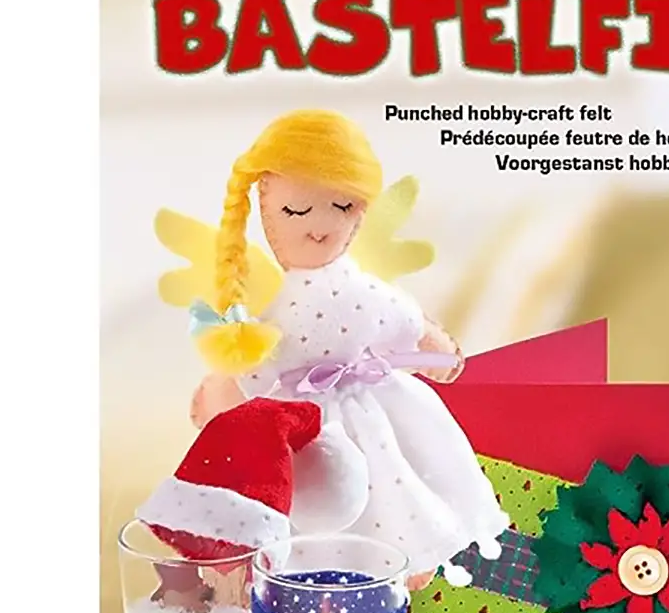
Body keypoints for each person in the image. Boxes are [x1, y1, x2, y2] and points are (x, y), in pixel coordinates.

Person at [186, 109, 506, 586]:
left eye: (340, 207)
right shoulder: (272, 315)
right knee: (312, 502)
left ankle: (404, 567)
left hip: (375, 408)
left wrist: (433, 345)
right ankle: (318, 585)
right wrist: (220, 395)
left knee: (394, 487)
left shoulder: (362, 290)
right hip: (303, 428)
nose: (319, 227)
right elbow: (252, 365)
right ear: (265, 208)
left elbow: (401, 318)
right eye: (296, 211)